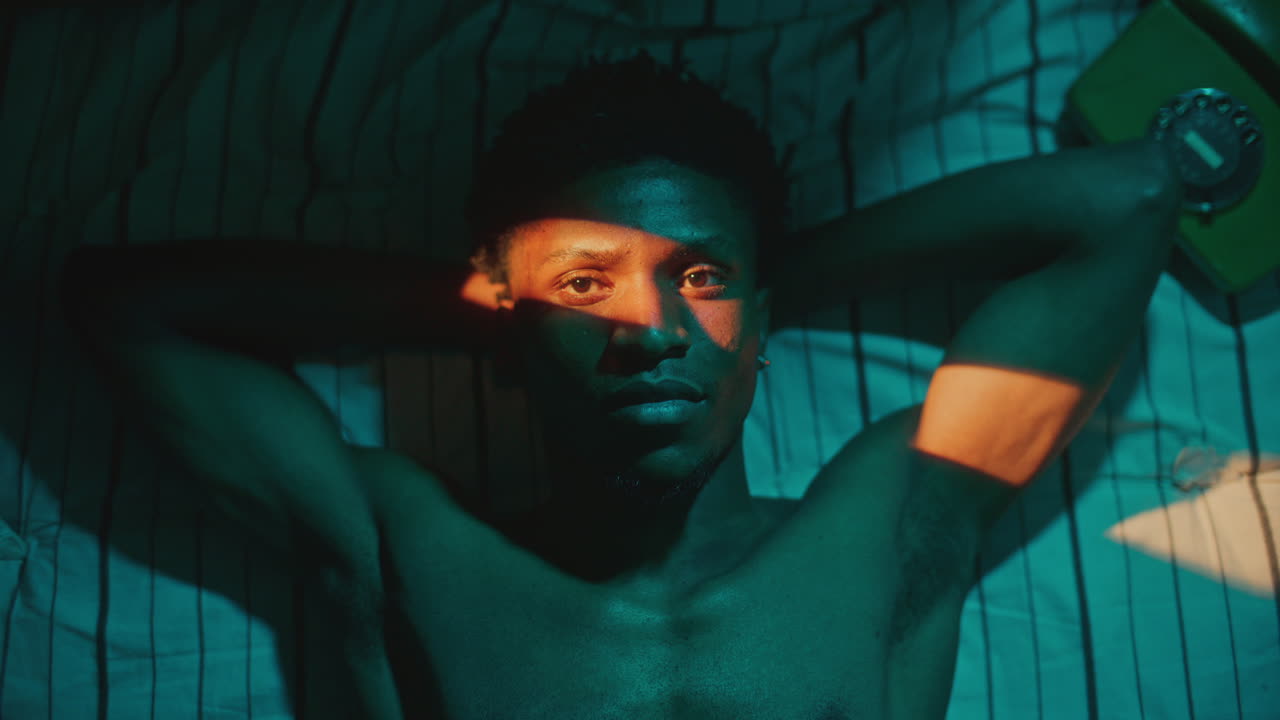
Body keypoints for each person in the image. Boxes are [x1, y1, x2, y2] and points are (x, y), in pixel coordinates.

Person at [61, 50, 1183, 719]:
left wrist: (771, 281)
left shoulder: (896, 516)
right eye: (587, 286)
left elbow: (1128, 199)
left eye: (698, 278)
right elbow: (132, 308)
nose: (648, 332)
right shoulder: (406, 546)